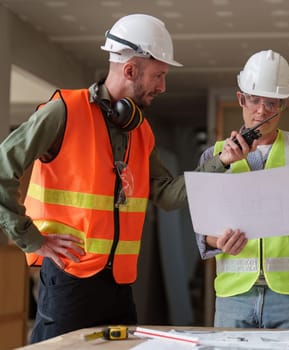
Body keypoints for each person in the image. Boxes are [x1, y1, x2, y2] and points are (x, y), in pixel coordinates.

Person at [0, 14, 251, 343]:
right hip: (70, 281)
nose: (163, 86)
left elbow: (167, 195)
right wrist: (33, 240)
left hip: (119, 285)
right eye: (158, 75)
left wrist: (221, 161)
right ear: (130, 70)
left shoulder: (141, 131)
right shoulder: (64, 112)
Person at [195, 50, 289, 329]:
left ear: (283, 105)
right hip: (234, 294)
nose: (262, 110)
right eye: (254, 100)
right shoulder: (214, 157)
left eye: (271, 102)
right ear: (241, 99)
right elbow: (201, 231)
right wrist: (218, 242)